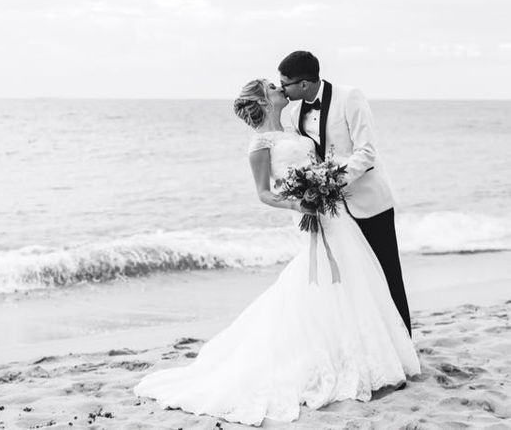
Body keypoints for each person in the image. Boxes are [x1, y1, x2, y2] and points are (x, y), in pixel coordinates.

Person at [133, 79, 420, 425]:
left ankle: (365, 356)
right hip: (310, 212)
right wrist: (300, 204)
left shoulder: (296, 128)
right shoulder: (259, 144)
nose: (279, 88)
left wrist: (324, 185)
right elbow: (264, 193)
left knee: (353, 278)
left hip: (335, 214)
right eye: (272, 87)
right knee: (321, 279)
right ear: (263, 101)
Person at [279, 50, 411, 335]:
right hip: (335, 213)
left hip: (370, 202)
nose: (282, 89)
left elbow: (367, 152)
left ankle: (405, 341)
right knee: (356, 281)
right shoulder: (294, 114)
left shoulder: (349, 97)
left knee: (388, 275)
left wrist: (331, 182)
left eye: (284, 84)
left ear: (303, 84)